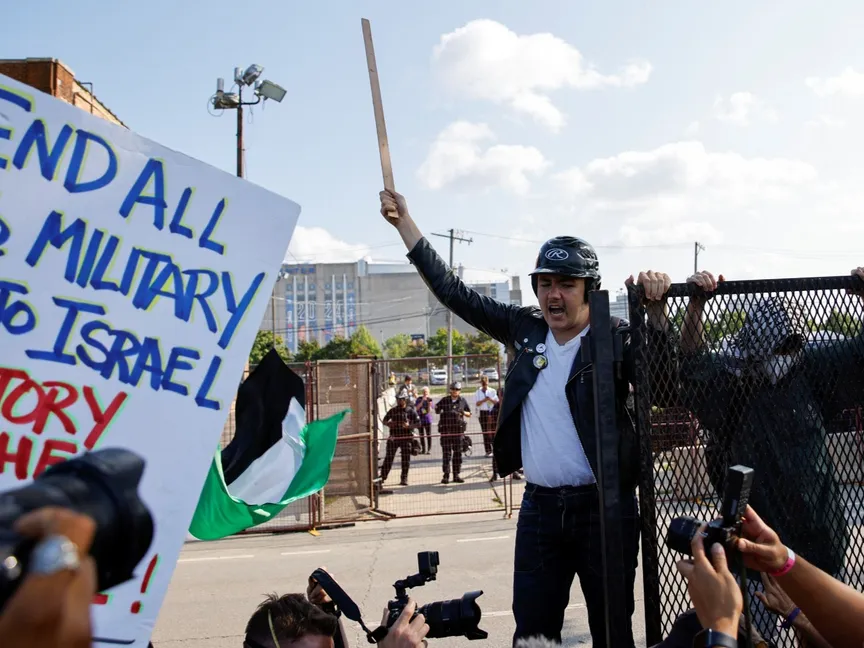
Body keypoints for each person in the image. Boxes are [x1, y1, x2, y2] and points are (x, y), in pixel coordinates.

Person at [379, 189, 675, 647]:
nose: (552, 295)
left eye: (566, 284)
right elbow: (455, 293)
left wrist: (658, 313)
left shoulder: (614, 338)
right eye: (544, 284)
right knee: (533, 635)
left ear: (590, 290)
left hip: (605, 511)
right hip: (539, 510)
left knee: (613, 632)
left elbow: (667, 381)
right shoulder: (525, 327)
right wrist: (406, 225)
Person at [678, 268, 864, 637]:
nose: (786, 356)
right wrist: (696, 306)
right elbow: (693, 364)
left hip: (817, 536)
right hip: (754, 546)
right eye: (780, 347)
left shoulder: (811, 367)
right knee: (752, 633)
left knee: (824, 629)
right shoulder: (732, 379)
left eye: (792, 347)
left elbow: (858, 355)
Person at [435, 381, 472, 484]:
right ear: (450, 390)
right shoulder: (445, 400)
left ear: (459, 391)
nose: (455, 391)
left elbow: (469, 413)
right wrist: (437, 409)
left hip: (458, 432)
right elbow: (436, 408)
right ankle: (446, 476)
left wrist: (463, 412)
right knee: (446, 454)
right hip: (446, 431)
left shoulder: (462, 400)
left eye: (457, 389)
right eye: (453, 389)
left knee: (457, 454)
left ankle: (456, 475)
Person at [381, 392, 420, 486]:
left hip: (406, 437)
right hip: (394, 436)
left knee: (405, 459)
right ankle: (382, 477)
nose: (399, 401)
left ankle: (404, 478)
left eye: (401, 399)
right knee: (389, 458)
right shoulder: (393, 410)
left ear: (405, 399)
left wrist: (409, 426)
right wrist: (389, 424)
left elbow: (418, 424)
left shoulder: (410, 411)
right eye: (398, 399)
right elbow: (384, 420)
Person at [475, 375, 499, 456]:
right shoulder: (478, 392)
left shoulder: (492, 391)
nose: (484, 385)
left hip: (492, 412)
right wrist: (484, 400)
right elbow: (477, 403)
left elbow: (496, 402)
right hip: (483, 413)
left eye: (485, 383)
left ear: (488, 382)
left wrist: (490, 399)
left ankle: (495, 448)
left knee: (492, 431)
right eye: (483, 383)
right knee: (485, 432)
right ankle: (488, 450)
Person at [414, 386, 434, 454]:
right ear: (422, 393)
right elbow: (416, 408)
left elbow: (429, 410)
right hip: (420, 419)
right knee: (421, 435)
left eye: (426, 392)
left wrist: (429, 404)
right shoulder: (419, 399)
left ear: (429, 393)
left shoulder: (430, 400)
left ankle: (429, 449)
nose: (425, 393)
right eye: (424, 392)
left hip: (427, 419)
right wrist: (422, 401)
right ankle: (423, 449)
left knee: (429, 435)